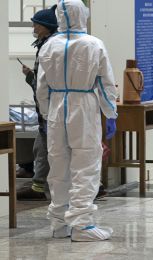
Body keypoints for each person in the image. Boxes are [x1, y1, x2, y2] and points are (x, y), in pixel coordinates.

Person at [36, 0, 118, 241]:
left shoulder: (50, 46)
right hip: (83, 106)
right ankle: (82, 224)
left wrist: (45, 111)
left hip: (56, 108)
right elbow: (105, 82)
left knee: (58, 166)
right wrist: (110, 112)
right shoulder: (93, 44)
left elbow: (42, 87)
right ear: (82, 15)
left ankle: (59, 222)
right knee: (85, 164)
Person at [16, 5, 58, 201]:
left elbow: (45, 82)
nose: (33, 26)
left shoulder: (49, 47)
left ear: (46, 26)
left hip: (50, 107)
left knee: (46, 147)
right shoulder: (46, 45)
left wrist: (31, 78)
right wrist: (31, 77)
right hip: (48, 106)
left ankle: (38, 187)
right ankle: (38, 184)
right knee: (41, 146)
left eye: (36, 23)